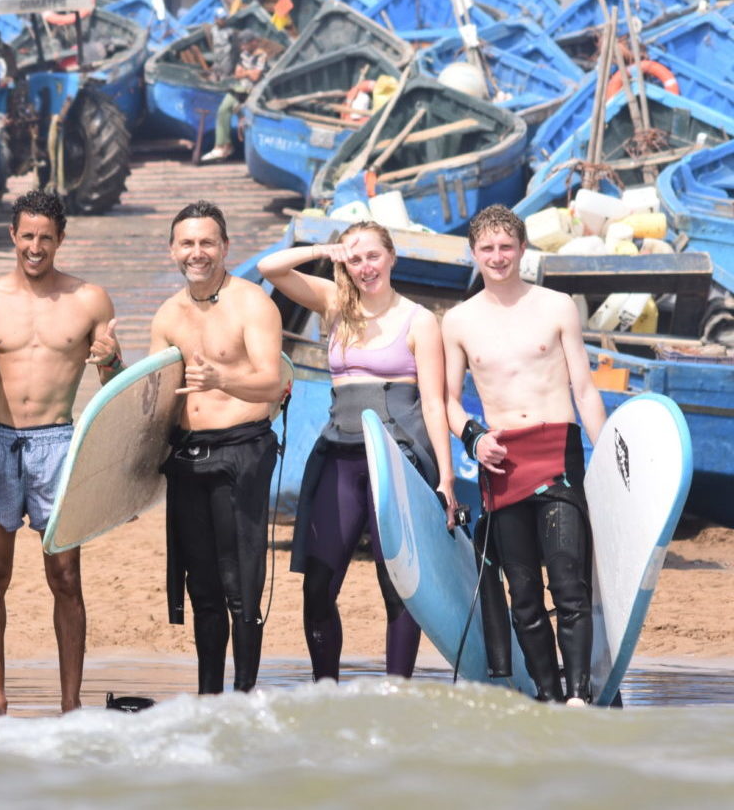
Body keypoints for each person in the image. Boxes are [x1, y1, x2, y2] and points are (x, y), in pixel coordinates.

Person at [257, 221, 455, 682]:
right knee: (319, 586)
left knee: (398, 586)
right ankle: (325, 687)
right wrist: (327, 250)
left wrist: (445, 478)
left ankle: (397, 689)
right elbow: (271, 267)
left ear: (391, 257)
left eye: (373, 256)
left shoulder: (419, 320)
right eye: (355, 258)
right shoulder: (335, 304)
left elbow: (433, 402)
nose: (365, 267)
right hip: (338, 456)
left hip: (397, 461)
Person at [0, 189, 120, 717]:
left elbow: (114, 383)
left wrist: (112, 360)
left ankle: (70, 704)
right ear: (12, 235)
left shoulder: (89, 300)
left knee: (66, 577)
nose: (35, 247)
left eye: (45, 237)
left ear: (60, 240)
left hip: (57, 442)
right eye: (27, 235)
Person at [442, 204, 606, 705]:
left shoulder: (557, 306)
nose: (498, 257)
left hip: (557, 449)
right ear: (474, 253)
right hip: (501, 460)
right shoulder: (458, 321)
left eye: (506, 247)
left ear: (522, 249)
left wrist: (609, 456)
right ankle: (548, 693)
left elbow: (584, 386)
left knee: (568, 580)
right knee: (524, 594)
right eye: (487, 248)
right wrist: (473, 437)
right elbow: (447, 400)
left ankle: (578, 695)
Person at [149, 201, 286, 693]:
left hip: (242, 453)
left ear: (226, 247)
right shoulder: (168, 315)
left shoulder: (253, 303)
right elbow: (152, 398)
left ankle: (245, 695)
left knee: (240, 588)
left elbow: (272, 383)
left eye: (207, 242)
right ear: (172, 250)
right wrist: (108, 367)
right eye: (187, 243)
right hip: (188, 459)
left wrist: (221, 376)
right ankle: (209, 698)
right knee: (202, 589)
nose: (197, 252)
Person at [200, 34, 276, 163]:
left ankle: (253, 152)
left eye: (245, 44)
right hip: (240, 88)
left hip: (254, 91)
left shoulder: (261, 56)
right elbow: (237, 74)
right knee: (223, 109)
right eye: (242, 44)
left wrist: (245, 73)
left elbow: (256, 77)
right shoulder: (243, 55)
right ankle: (222, 145)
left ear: (254, 42)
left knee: (245, 116)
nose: (243, 47)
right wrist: (248, 72)